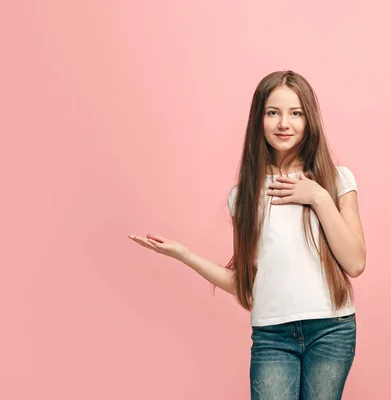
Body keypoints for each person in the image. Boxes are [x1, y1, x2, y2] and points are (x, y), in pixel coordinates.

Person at [129, 70, 366, 399]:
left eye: (295, 113)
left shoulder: (337, 180)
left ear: (310, 119)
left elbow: (354, 263)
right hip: (272, 336)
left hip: (331, 330)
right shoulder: (243, 196)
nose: (284, 123)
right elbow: (247, 290)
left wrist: (318, 197)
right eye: (273, 112)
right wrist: (184, 255)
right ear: (259, 119)